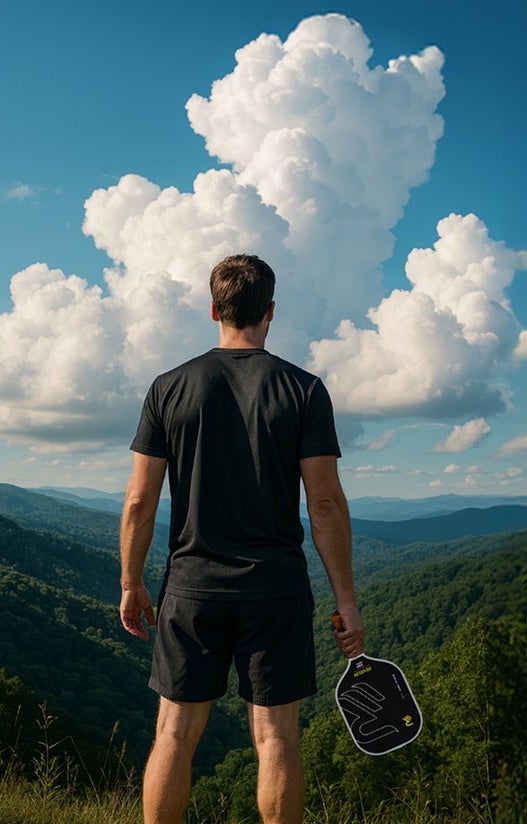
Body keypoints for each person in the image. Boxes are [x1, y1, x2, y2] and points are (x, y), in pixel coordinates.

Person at [118, 253, 364, 824]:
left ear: (214, 309)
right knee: (277, 740)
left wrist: (132, 582)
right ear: (270, 312)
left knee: (174, 734)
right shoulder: (303, 390)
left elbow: (139, 501)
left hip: (192, 588)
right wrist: (345, 601)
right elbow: (324, 502)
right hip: (274, 589)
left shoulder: (168, 388)